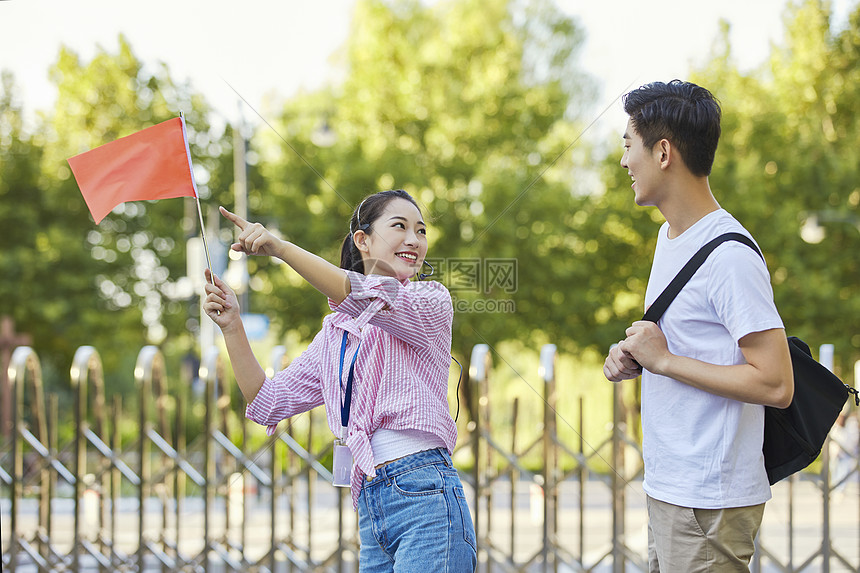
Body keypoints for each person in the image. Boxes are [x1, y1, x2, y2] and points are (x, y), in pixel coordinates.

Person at [203, 189, 477, 572]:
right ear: (362, 240)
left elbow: (357, 292)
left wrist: (281, 249)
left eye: (421, 231)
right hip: (372, 501)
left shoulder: (431, 300)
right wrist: (232, 325)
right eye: (400, 226)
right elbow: (268, 400)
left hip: (425, 492)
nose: (414, 240)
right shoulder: (336, 333)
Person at [603, 80, 794, 572]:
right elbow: (690, 350)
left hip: (709, 500)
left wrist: (665, 360)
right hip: (671, 488)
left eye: (629, 145)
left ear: (663, 151)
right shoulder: (671, 239)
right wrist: (640, 358)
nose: (624, 161)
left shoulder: (729, 254)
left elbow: (776, 383)